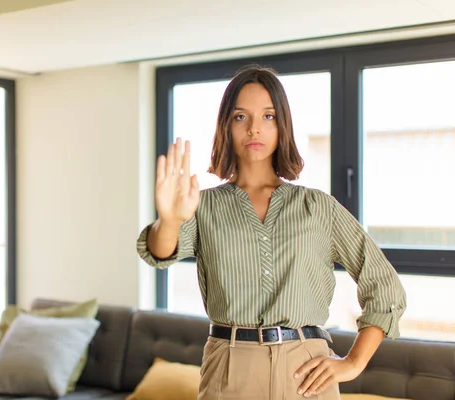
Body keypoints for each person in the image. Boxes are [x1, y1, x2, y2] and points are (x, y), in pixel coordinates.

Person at [136, 65, 407, 399]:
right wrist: (170, 220)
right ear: (226, 126)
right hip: (230, 367)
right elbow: (161, 253)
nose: (254, 129)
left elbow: (385, 287)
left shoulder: (317, 207)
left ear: (283, 125)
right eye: (240, 117)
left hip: (307, 371)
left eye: (268, 116)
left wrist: (353, 363)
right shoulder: (201, 206)